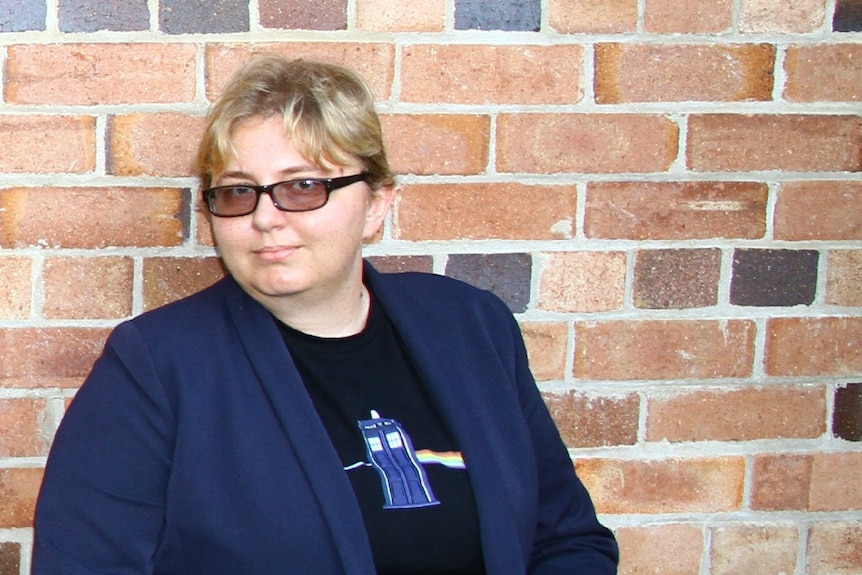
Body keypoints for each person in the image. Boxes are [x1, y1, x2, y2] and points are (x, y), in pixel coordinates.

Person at [32, 55, 618, 574]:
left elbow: (566, 538)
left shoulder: (470, 326)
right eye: (238, 192)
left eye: (304, 186)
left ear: (376, 204)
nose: (265, 218)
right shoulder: (157, 366)